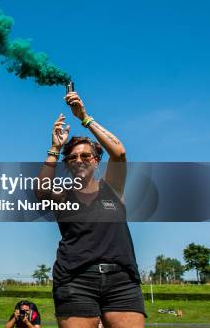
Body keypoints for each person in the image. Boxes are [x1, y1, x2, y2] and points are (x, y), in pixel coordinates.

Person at [36, 90, 145, 328]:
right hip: (75, 280)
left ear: (96, 161)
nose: (79, 160)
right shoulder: (62, 196)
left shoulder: (112, 188)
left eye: (86, 155)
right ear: (67, 164)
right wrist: (55, 148)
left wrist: (84, 118)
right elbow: (41, 191)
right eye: (73, 157)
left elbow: (119, 152)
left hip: (122, 281)